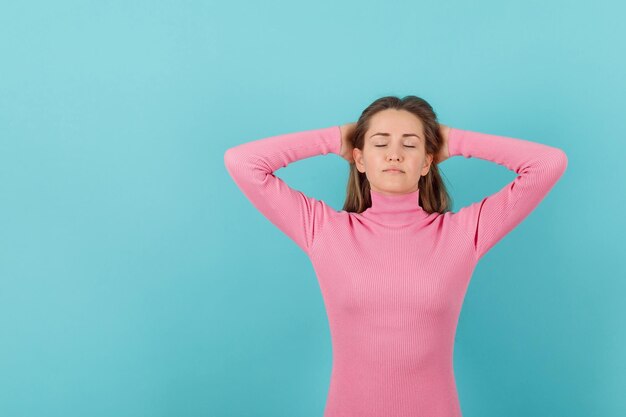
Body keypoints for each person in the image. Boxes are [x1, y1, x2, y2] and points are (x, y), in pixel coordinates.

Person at [223, 95, 568, 417]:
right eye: (380, 142)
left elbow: (548, 164)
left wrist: (454, 140)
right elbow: (242, 162)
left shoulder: (462, 234)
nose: (394, 154)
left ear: (427, 162)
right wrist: (336, 138)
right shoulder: (325, 231)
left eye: (410, 144)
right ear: (359, 158)